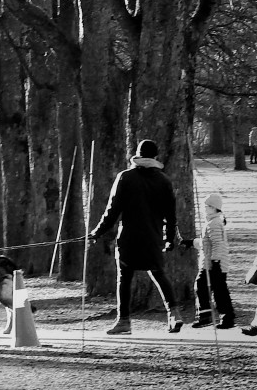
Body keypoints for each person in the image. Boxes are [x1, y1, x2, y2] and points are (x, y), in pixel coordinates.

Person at [90, 138, 183, 336]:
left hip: (129, 238)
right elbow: (171, 214)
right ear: (155, 156)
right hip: (153, 237)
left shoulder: (125, 177)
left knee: (124, 278)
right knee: (158, 272)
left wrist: (97, 232)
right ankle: (174, 314)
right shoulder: (164, 180)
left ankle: (124, 321)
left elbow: (112, 211)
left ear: (138, 155)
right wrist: (169, 238)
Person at [191, 190, 235, 329]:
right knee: (212, 289)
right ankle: (217, 316)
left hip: (214, 264)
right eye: (205, 206)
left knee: (212, 289)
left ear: (214, 208)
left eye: (207, 207)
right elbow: (206, 244)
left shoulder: (214, 223)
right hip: (211, 263)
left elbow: (217, 244)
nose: (205, 209)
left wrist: (216, 262)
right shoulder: (211, 222)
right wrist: (191, 243)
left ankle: (217, 317)